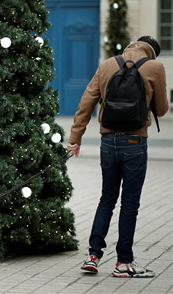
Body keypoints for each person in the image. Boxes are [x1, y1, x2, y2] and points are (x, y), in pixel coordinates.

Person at [67, 36, 168, 278]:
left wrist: (75, 138)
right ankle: (123, 263)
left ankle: (93, 256)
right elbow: (162, 109)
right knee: (130, 203)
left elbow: (86, 102)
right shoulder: (154, 67)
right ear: (153, 52)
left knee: (107, 198)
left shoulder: (107, 64)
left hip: (107, 141)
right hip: (135, 141)